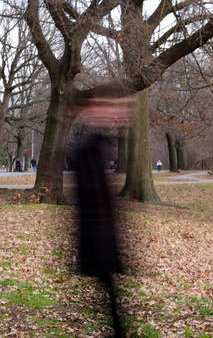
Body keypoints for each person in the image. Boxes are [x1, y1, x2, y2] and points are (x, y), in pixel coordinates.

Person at [72, 83, 134, 338]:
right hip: (97, 236)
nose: (116, 113)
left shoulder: (98, 144)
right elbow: (89, 198)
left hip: (102, 235)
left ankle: (118, 330)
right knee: (107, 291)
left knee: (109, 292)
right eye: (109, 106)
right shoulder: (88, 147)